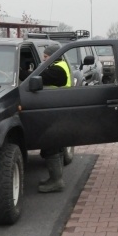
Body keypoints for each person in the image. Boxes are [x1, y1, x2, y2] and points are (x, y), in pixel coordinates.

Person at [37, 42, 72, 193]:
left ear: (53, 56)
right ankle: (55, 178)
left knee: (51, 145)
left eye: (46, 56)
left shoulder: (57, 69)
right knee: (56, 146)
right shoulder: (60, 65)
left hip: (56, 111)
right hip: (59, 109)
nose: (43, 59)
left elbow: (35, 77)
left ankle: (56, 181)